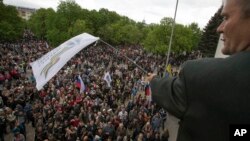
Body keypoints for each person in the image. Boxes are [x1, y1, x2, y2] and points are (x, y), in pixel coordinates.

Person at [145, 0, 250, 141]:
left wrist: (153, 80)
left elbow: (168, 92)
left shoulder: (200, 76)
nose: (219, 28)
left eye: (226, 17)